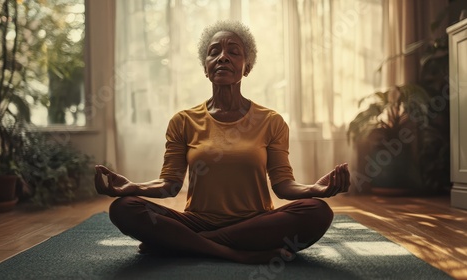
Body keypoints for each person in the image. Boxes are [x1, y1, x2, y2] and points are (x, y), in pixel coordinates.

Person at [95, 20, 350, 264]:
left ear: (247, 66)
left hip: (255, 222)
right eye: (214, 52)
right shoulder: (183, 121)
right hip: (197, 221)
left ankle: (181, 245)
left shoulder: (271, 121)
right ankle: (236, 254)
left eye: (234, 52)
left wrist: (314, 190)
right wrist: (131, 187)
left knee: (317, 211)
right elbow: (169, 186)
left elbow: (283, 186)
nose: (223, 57)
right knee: (124, 208)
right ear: (205, 67)